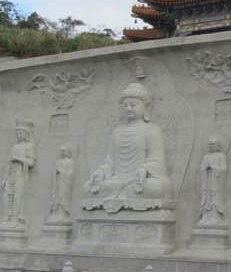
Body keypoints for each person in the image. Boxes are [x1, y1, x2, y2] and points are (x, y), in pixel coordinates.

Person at [83, 83, 171, 212]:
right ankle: (120, 194)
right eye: (125, 105)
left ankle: (122, 195)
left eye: (133, 105)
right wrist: (101, 172)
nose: (128, 108)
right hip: (116, 181)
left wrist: (145, 169)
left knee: (155, 187)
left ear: (145, 107)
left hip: (139, 181)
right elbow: (110, 163)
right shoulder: (117, 132)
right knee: (87, 187)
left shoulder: (152, 130)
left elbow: (157, 160)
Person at [0, 121, 35, 226]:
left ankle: (15, 219)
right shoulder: (14, 147)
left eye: (21, 133)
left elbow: (31, 162)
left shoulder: (29, 146)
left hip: (21, 174)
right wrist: (4, 178)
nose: (18, 135)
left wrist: (18, 158)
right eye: (17, 133)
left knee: (17, 196)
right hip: (11, 175)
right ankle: (6, 218)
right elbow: (9, 163)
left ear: (26, 134)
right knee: (7, 196)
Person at [197, 135, 228, 226]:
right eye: (210, 144)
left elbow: (224, 169)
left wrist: (213, 167)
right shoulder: (206, 157)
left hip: (216, 183)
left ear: (218, 145)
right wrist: (204, 168)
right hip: (207, 182)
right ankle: (206, 218)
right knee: (207, 200)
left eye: (213, 144)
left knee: (215, 199)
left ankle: (216, 218)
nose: (211, 146)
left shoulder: (221, 156)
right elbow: (202, 168)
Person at [49, 145, 75, 221]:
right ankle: (55, 214)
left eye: (64, 151)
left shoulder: (70, 162)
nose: (62, 153)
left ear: (67, 152)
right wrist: (56, 173)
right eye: (61, 151)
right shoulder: (57, 162)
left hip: (64, 184)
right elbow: (54, 174)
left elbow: (70, 174)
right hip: (58, 183)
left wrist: (61, 172)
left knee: (63, 197)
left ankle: (63, 214)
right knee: (56, 197)